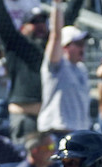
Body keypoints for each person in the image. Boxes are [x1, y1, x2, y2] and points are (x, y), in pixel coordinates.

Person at [0, 0, 49, 141]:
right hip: (24, 118)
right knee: (24, 159)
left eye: (43, 21)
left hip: (48, 120)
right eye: (34, 22)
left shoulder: (51, 49)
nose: (40, 25)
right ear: (23, 27)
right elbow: (2, 20)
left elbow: (69, 17)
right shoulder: (15, 44)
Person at [37, 0, 90, 135]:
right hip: (56, 132)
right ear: (65, 47)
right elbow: (55, 36)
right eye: (78, 43)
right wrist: (57, 5)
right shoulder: (57, 65)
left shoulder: (81, 69)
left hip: (77, 133)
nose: (82, 47)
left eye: (83, 43)